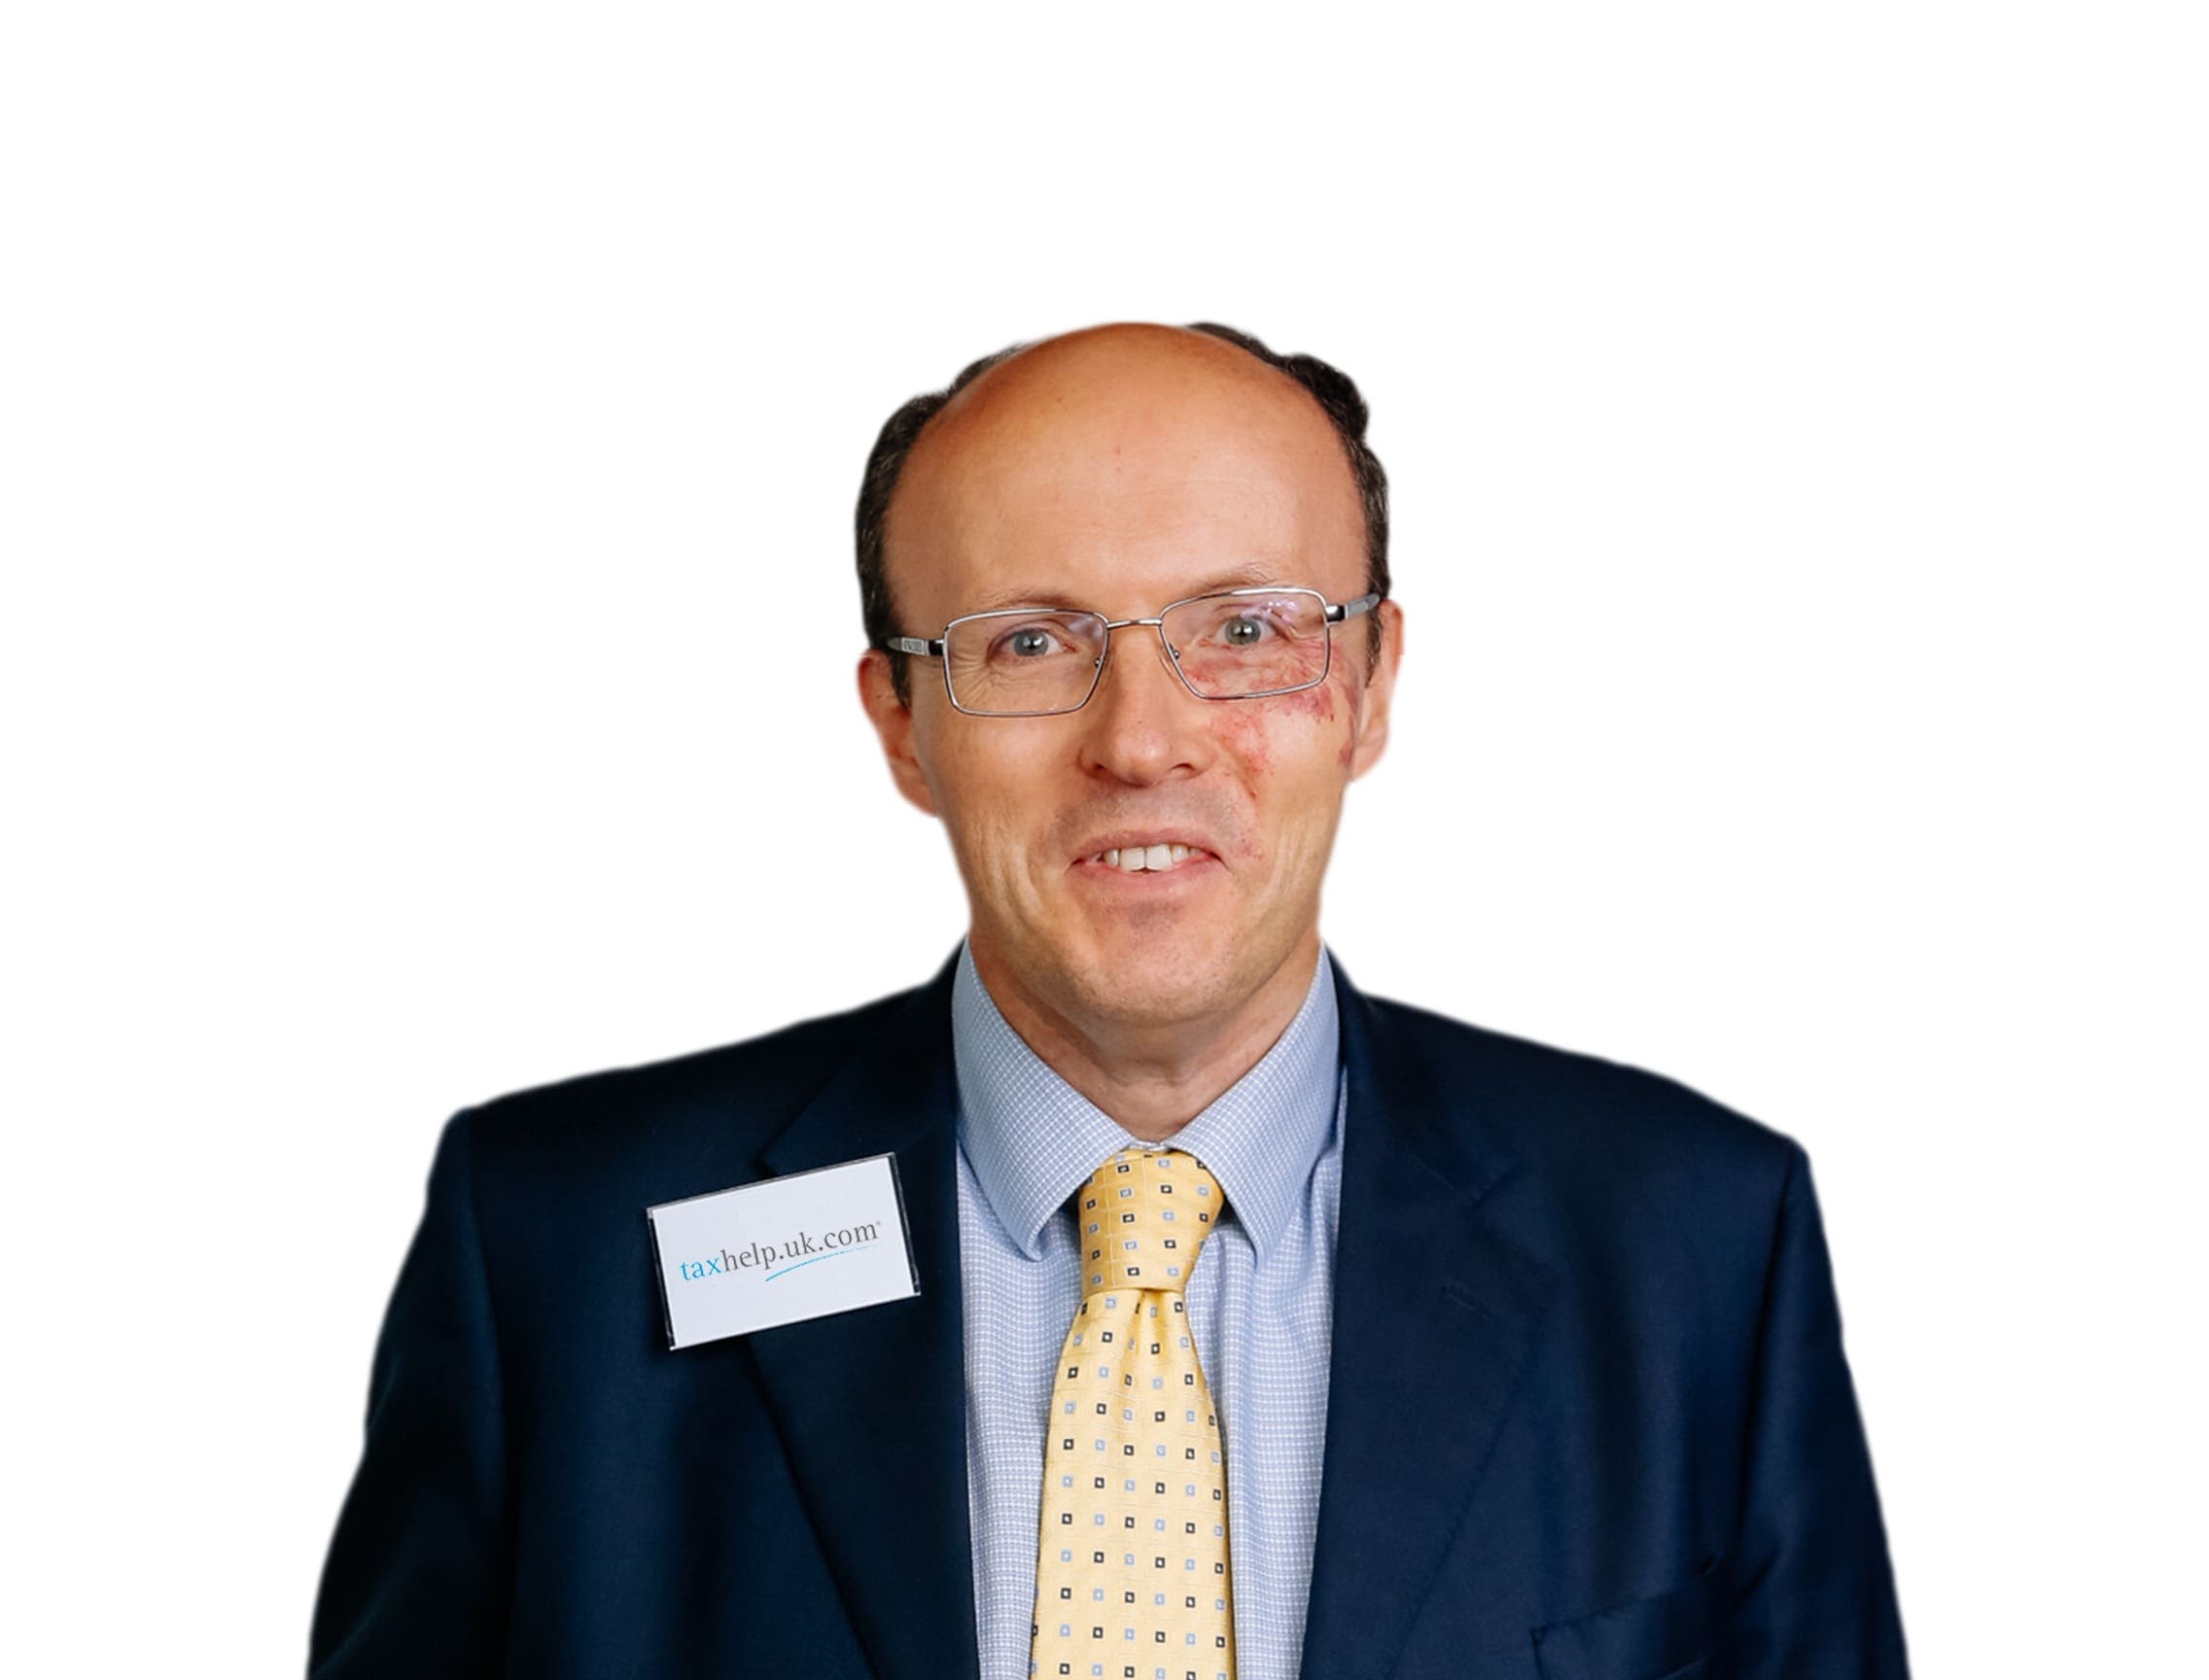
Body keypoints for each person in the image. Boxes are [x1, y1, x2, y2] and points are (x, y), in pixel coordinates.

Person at [309, 322, 1911, 1679]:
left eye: (1247, 631)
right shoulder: (565, 1249)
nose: (1143, 741)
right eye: (1028, 642)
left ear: (1368, 687)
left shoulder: (1698, 1245)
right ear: (903, 722)